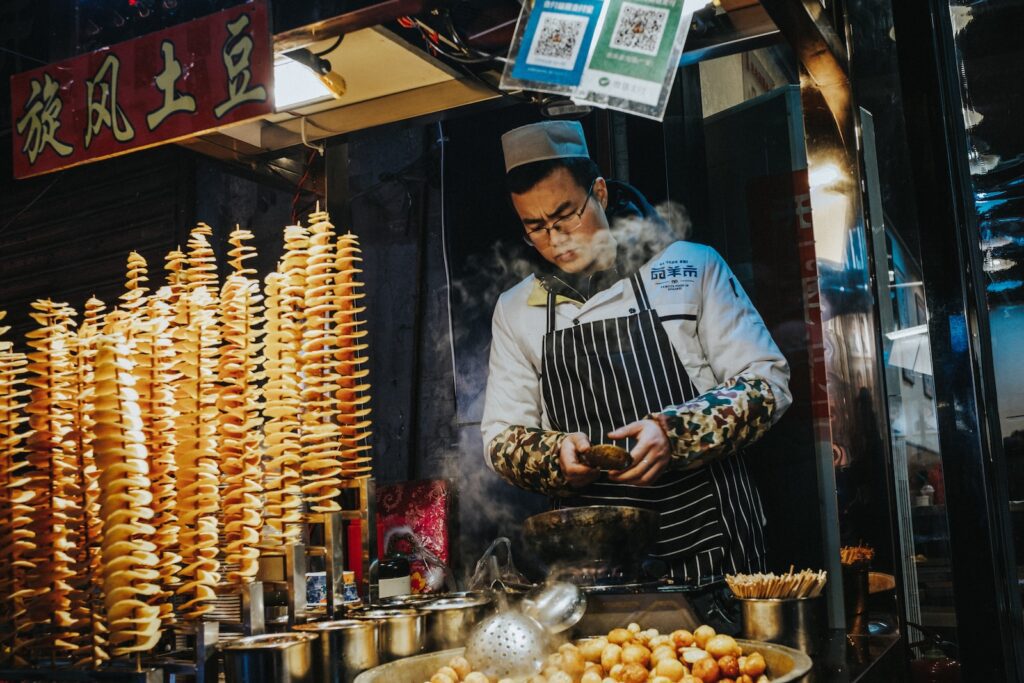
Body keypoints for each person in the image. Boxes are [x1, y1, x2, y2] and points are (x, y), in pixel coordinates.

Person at [481, 120, 792, 584]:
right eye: (536, 227)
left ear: (600, 193)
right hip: (590, 562)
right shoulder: (515, 309)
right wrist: (556, 456)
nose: (557, 238)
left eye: (567, 215)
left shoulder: (689, 266)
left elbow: (767, 384)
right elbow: (501, 437)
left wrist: (676, 434)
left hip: (710, 545)